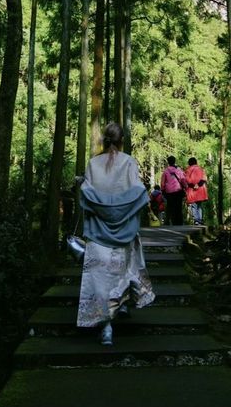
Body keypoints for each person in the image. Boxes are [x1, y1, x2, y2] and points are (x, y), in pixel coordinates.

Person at [77, 122, 155, 346]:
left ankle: (106, 327)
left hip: (98, 231)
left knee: (99, 278)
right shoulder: (129, 162)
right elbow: (138, 192)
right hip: (125, 230)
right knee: (123, 271)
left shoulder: (93, 164)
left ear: (104, 140)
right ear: (122, 141)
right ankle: (120, 305)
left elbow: (88, 193)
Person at [160, 155, 187, 226]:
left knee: (170, 207)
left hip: (169, 192)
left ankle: (171, 221)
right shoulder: (179, 170)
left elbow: (162, 183)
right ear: (174, 161)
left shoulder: (165, 171)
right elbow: (183, 180)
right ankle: (179, 222)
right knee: (178, 207)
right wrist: (185, 187)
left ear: (168, 162)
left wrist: (163, 190)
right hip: (178, 191)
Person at [184, 156, 209, 225]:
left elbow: (187, 179)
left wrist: (193, 185)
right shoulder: (201, 169)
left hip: (192, 190)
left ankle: (196, 220)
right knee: (199, 206)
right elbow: (204, 178)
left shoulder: (188, 170)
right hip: (200, 190)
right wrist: (198, 184)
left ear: (189, 163)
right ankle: (200, 219)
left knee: (193, 205)